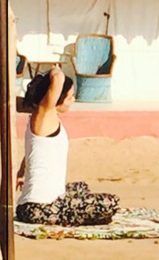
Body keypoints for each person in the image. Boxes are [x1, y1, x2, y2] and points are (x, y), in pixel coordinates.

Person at [16, 65, 120, 226]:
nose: (72, 100)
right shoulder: (44, 113)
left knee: (81, 188)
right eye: (70, 96)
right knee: (111, 202)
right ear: (58, 97)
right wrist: (55, 70)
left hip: (36, 206)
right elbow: (58, 79)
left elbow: (35, 150)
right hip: (39, 208)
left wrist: (22, 172)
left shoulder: (44, 119)